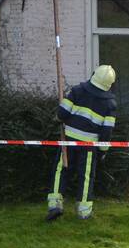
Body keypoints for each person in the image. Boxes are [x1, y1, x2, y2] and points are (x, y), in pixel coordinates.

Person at [46, 65, 116, 221]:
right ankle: (84, 211)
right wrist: (103, 151)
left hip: (68, 141)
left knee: (60, 170)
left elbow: (62, 113)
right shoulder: (110, 104)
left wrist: (58, 118)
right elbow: (106, 132)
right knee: (86, 177)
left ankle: (55, 204)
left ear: (93, 75)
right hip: (89, 147)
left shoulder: (77, 91)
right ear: (109, 84)